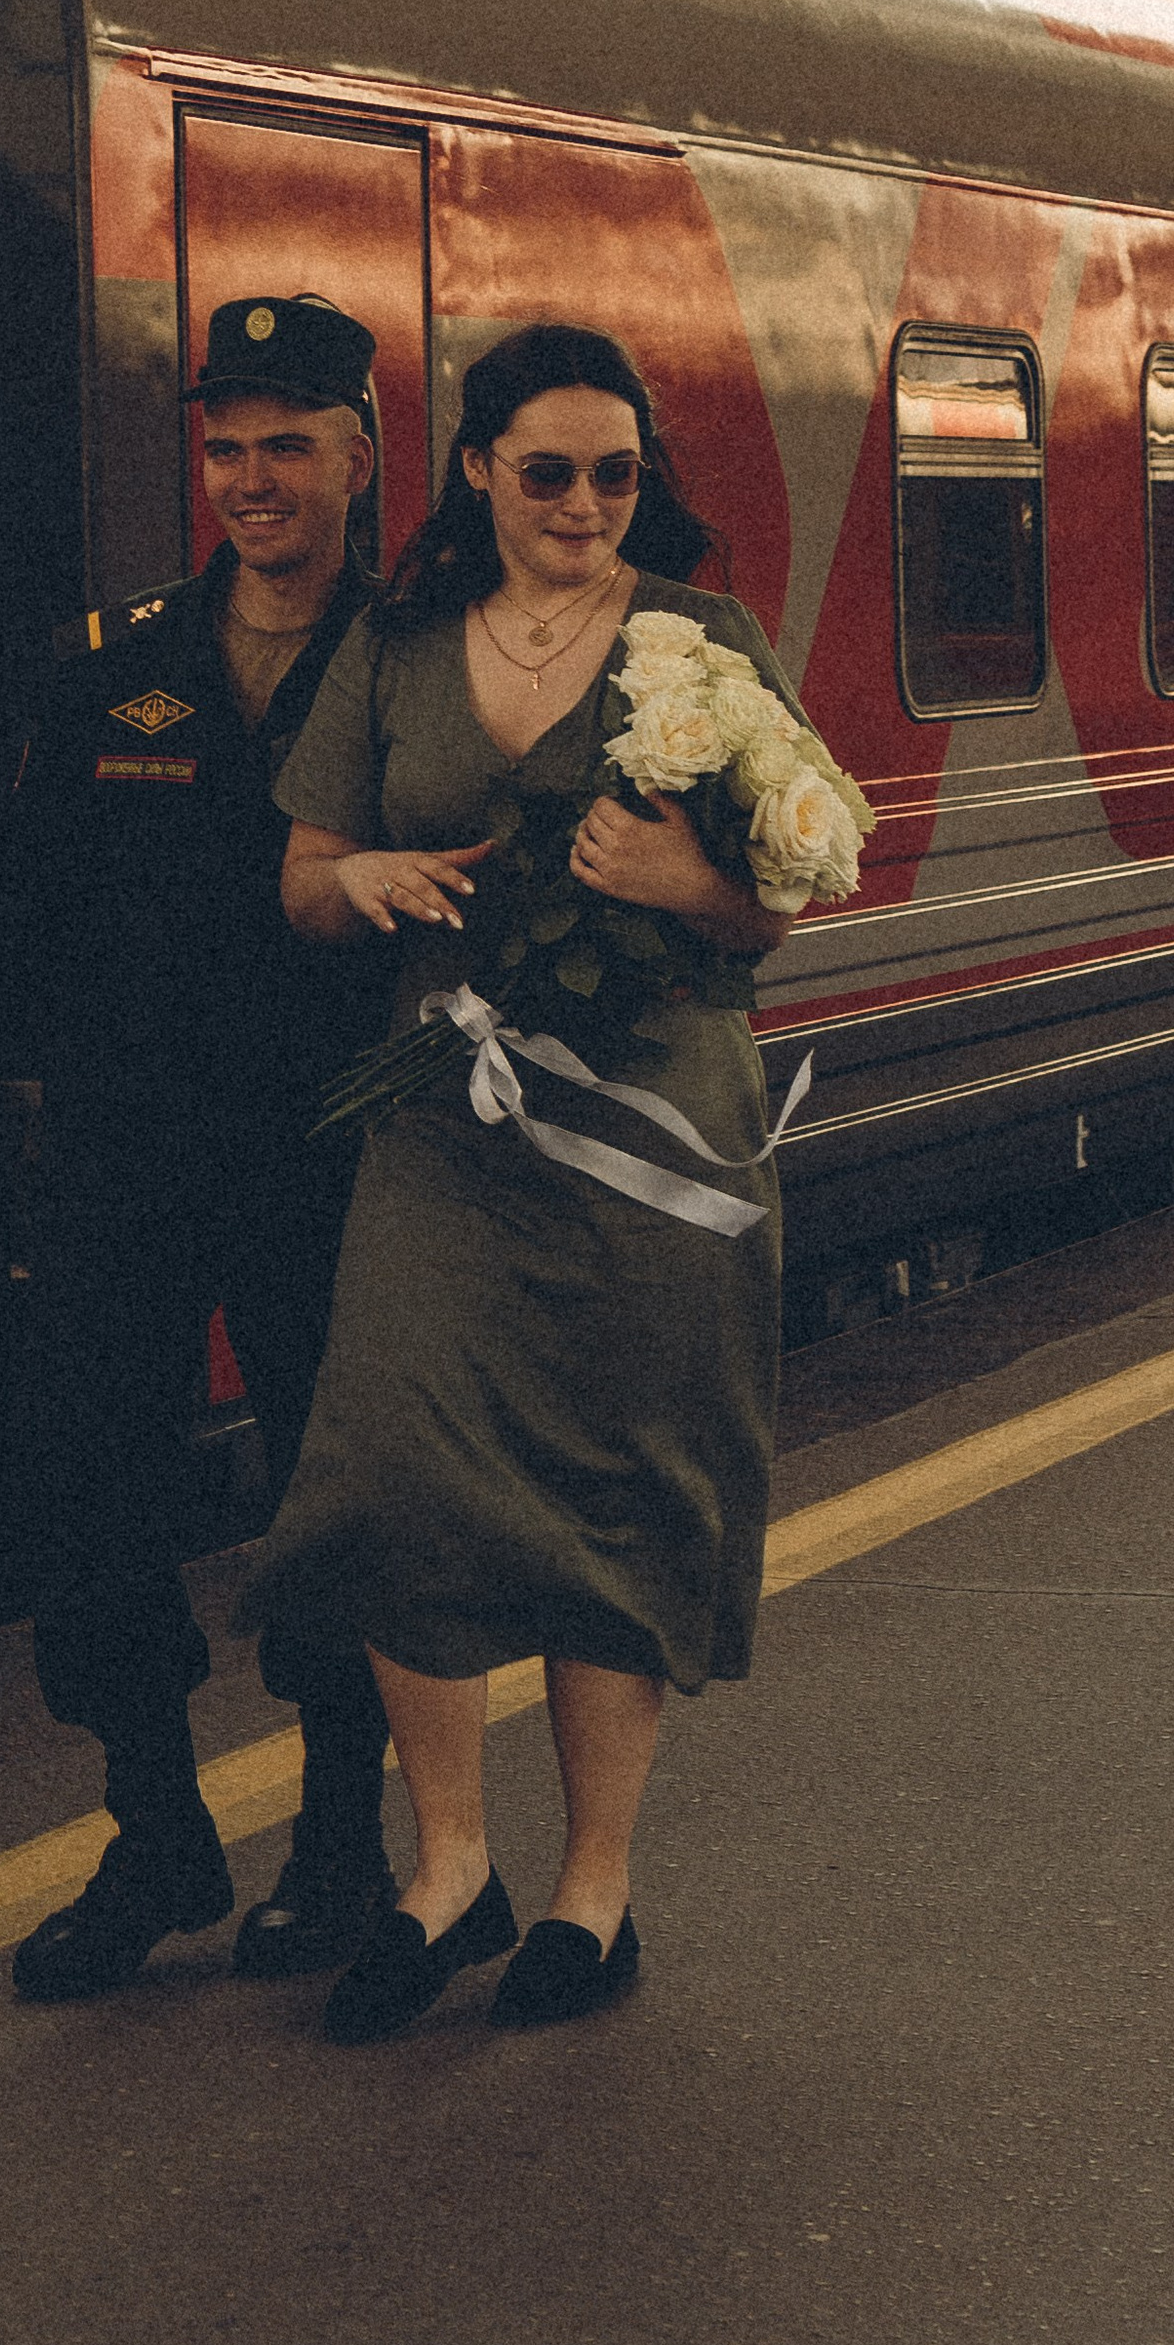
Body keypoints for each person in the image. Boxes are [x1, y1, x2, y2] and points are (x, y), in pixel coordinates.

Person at [243, 322, 803, 2042]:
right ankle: (449, 1869)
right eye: (545, 469)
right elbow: (303, 884)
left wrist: (684, 875)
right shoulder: (401, 643)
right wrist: (377, 876)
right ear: (477, 469)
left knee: (615, 1491)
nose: (579, 503)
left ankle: (593, 1893)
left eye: (615, 474)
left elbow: (782, 901)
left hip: (645, 1126)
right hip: (445, 1116)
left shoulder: (700, 642)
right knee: (396, 1477)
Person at [0, 293, 397, 2001]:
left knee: (331, 1501)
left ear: (360, 456)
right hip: (126, 1145)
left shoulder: (412, 663)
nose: (249, 481)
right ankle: (156, 1830)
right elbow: (24, 887)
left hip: (330, 1147)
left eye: (287, 447)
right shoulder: (125, 660)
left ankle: (335, 1844)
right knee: (84, 1480)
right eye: (226, 446)